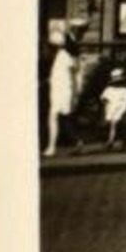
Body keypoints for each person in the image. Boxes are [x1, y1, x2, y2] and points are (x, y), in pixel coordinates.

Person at [44, 17, 90, 157]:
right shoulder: (67, 52)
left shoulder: (69, 53)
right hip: (59, 86)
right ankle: (72, 143)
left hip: (64, 88)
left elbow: (74, 75)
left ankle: (56, 146)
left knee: (58, 116)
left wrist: (76, 92)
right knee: (59, 117)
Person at [100, 68, 126, 150]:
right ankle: (115, 141)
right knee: (116, 125)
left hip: (116, 110)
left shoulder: (110, 90)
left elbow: (103, 100)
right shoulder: (125, 90)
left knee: (114, 125)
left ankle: (111, 141)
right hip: (118, 110)